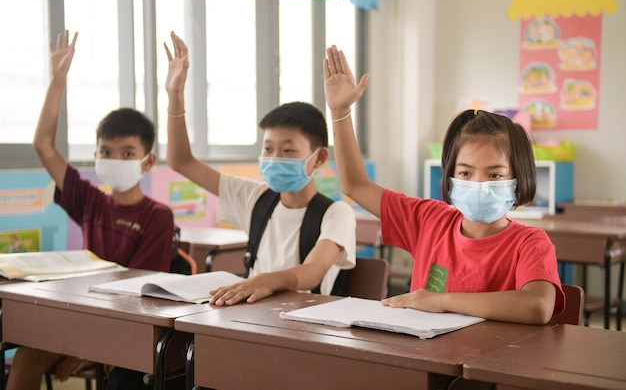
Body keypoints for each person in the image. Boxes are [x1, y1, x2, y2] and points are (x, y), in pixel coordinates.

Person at [323, 45, 564, 326]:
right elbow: (355, 185)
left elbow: (537, 306)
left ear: (519, 179)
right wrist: (340, 112)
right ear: (449, 175)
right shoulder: (429, 222)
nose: (479, 184)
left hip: (488, 366)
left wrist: (440, 300)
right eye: (465, 173)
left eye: (495, 175)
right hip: (427, 359)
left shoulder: (530, 243)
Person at [7, 31, 175, 390]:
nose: (115, 159)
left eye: (127, 153)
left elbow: (144, 294)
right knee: (23, 359)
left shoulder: (157, 216)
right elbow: (42, 145)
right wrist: (57, 80)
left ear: (147, 162)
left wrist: (95, 350)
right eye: (106, 151)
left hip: (128, 326)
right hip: (83, 316)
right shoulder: (90, 199)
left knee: (120, 378)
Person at [164, 32, 356, 306]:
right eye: (268, 149)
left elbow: (313, 273)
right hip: (252, 316)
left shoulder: (337, 213)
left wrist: (265, 280)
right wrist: (175, 95)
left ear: (319, 157)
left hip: (305, 327)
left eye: (288, 150)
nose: (275, 158)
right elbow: (181, 161)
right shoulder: (255, 197)